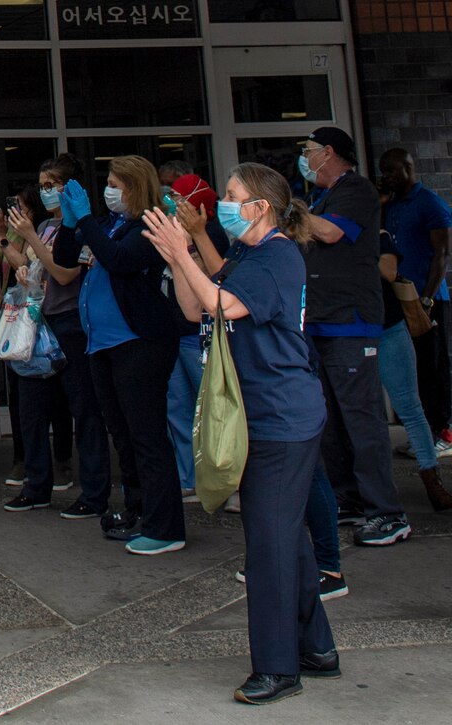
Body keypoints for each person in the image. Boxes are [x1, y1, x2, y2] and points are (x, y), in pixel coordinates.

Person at [143, 162, 338, 705]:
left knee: (270, 545)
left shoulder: (277, 256)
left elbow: (223, 304)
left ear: (260, 208)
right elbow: (194, 307)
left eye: (231, 196)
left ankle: (278, 669)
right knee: (283, 535)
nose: (221, 203)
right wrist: (178, 257)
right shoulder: (248, 256)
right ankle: (316, 648)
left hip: (281, 416)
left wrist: (185, 251)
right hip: (262, 416)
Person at [54, 156, 185, 555]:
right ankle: (138, 510)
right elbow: (63, 256)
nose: (109, 190)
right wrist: (70, 220)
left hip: (139, 344)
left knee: (146, 436)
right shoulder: (111, 226)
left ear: (134, 187)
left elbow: (120, 260)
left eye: (115, 184)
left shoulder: (149, 226)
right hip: (104, 345)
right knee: (123, 437)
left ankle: (166, 527)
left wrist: (87, 223)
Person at [300, 127, 410, 545]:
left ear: (328, 153)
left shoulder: (356, 190)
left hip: (352, 321)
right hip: (322, 322)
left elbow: (330, 233)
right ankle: (350, 500)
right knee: (330, 421)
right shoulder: (321, 198)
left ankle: (388, 512)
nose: (305, 159)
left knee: (362, 419)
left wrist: (282, 209)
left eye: (309, 152)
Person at [1, 154, 110, 517]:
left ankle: (94, 493)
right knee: (32, 408)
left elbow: (65, 274)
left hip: (72, 324)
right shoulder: (47, 225)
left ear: (70, 187)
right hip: (38, 321)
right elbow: (38, 269)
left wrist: (29, 236)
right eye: (42, 185)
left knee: (83, 409)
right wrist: (23, 268)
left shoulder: (84, 227)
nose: (45, 192)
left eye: (50, 186)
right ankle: (37, 485)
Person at [0, 182, 73, 489]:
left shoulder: (41, 231)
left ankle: (61, 461)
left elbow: (29, 266)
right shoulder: (21, 232)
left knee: (54, 393)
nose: (13, 210)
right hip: (16, 314)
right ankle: (23, 459)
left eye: (19, 204)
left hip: (44, 313)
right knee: (20, 394)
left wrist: (5, 238)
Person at [380, 148, 452, 455]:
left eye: (393, 171)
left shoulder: (429, 203)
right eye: (384, 171)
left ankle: (444, 433)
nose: (387, 177)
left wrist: (428, 297)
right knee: (414, 369)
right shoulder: (391, 204)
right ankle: (426, 433)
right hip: (400, 299)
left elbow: (443, 253)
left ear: (409, 169)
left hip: (427, 299)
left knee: (434, 367)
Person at [162, 174, 230, 501]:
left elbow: (211, 281)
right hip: (175, 331)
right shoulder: (175, 233)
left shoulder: (211, 235)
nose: (171, 201)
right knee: (179, 409)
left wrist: (188, 246)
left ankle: (222, 480)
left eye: (177, 195)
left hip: (198, 336)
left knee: (211, 412)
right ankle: (188, 477)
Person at [376, 230, 452, 510]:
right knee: (367, 414)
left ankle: (432, 478)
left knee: (410, 405)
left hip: (389, 327)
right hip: (353, 332)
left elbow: (389, 270)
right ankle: (377, 487)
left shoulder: (378, 236)